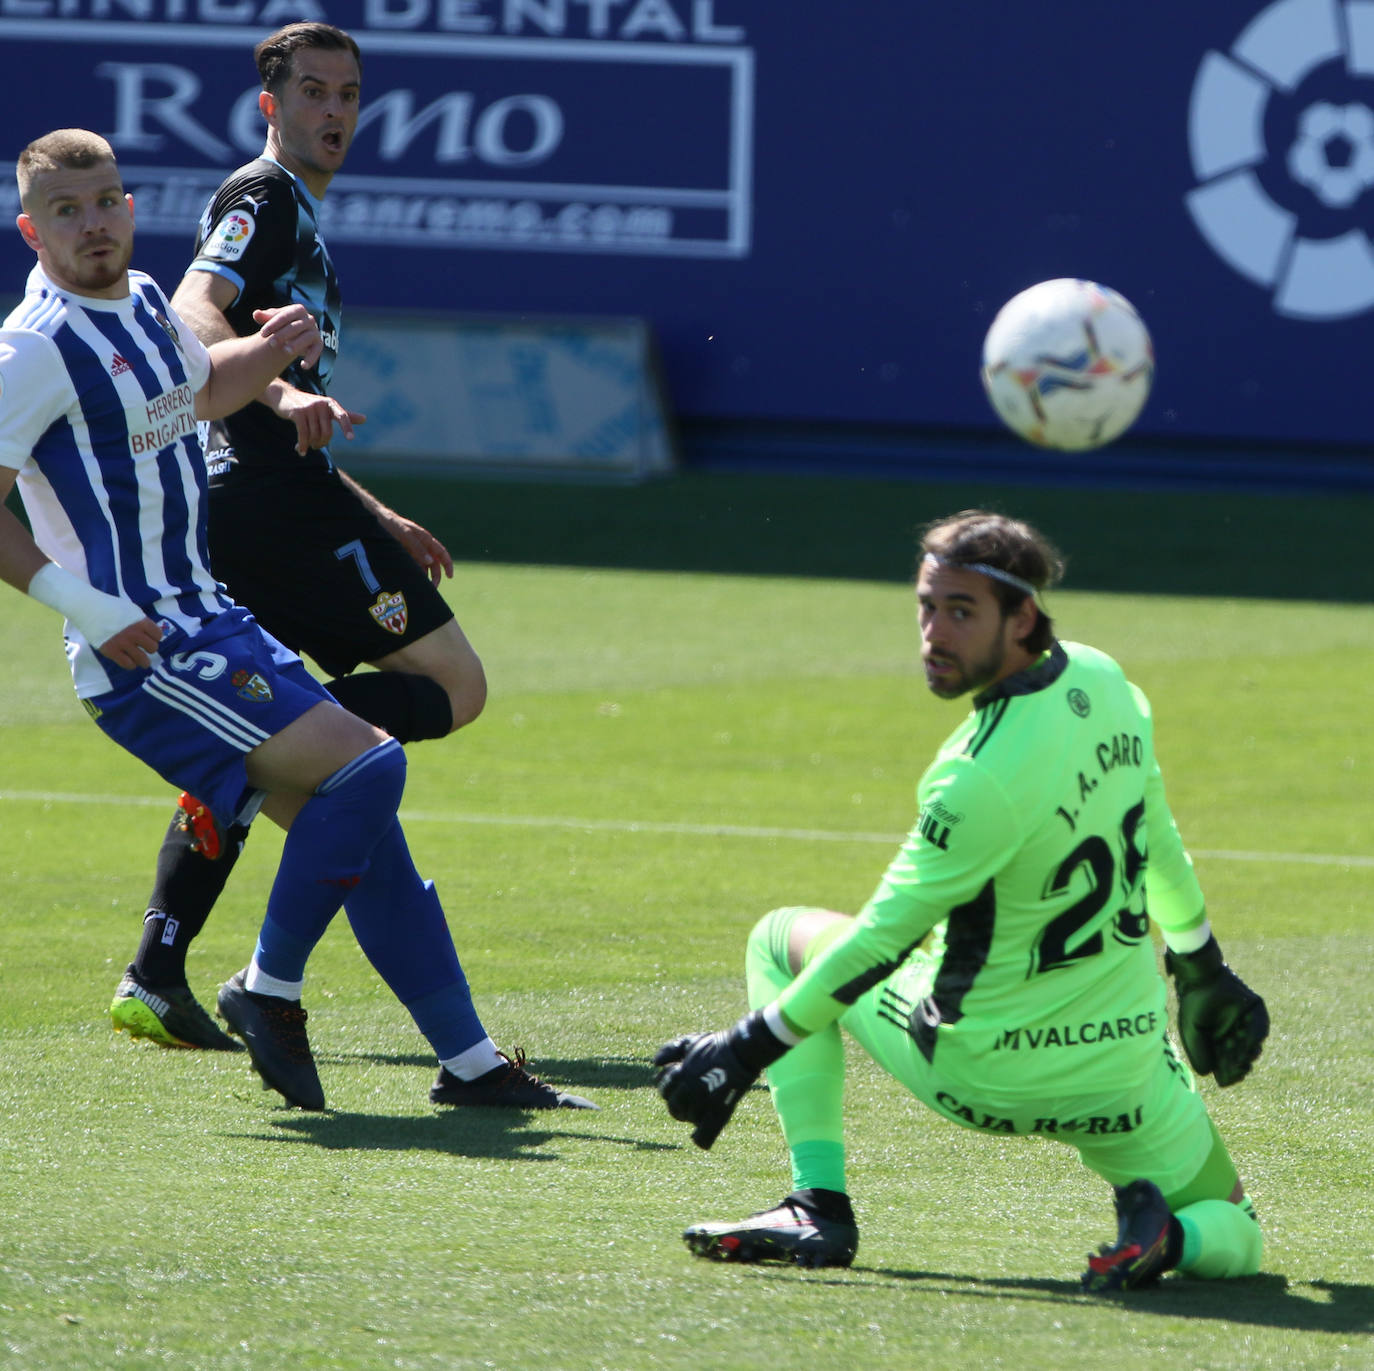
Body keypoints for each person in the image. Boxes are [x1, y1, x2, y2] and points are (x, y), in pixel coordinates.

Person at [2, 128, 594, 1114]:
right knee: (371, 763)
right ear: (32, 229)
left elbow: (200, 397)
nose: (93, 223)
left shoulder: (144, 304)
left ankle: (471, 1062)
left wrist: (268, 355)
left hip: (210, 620)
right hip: (143, 649)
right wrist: (86, 606)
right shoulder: (34, 346)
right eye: (67, 211)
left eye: (106, 200)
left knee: (368, 839)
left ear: (131, 205)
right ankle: (267, 988)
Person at [653, 510, 1268, 1290]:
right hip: (1121, 1071)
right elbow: (1160, 840)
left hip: (984, 1072)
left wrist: (744, 1048)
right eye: (926, 605)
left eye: (962, 611)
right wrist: (1201, 963)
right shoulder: (1111, 685)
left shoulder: (974, 773)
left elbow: (879, 941)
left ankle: (817, 1203)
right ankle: (1169, 1238)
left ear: (1022, 617)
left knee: (780, 938)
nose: (933, 634)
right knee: (1238, 1232)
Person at [107, 21, 492, 1051]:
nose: (334, 112)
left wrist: (374, 510)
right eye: (313, 92)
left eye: (349, 94)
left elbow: (280, 398)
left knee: (325, 793)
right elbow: (194, 312)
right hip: (273, 513)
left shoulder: (292, 205)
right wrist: (274, 384)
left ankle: (157, 967)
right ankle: (244, 763)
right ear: (270, 105)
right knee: (455, 689)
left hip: (270, 504)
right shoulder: (262, 194)